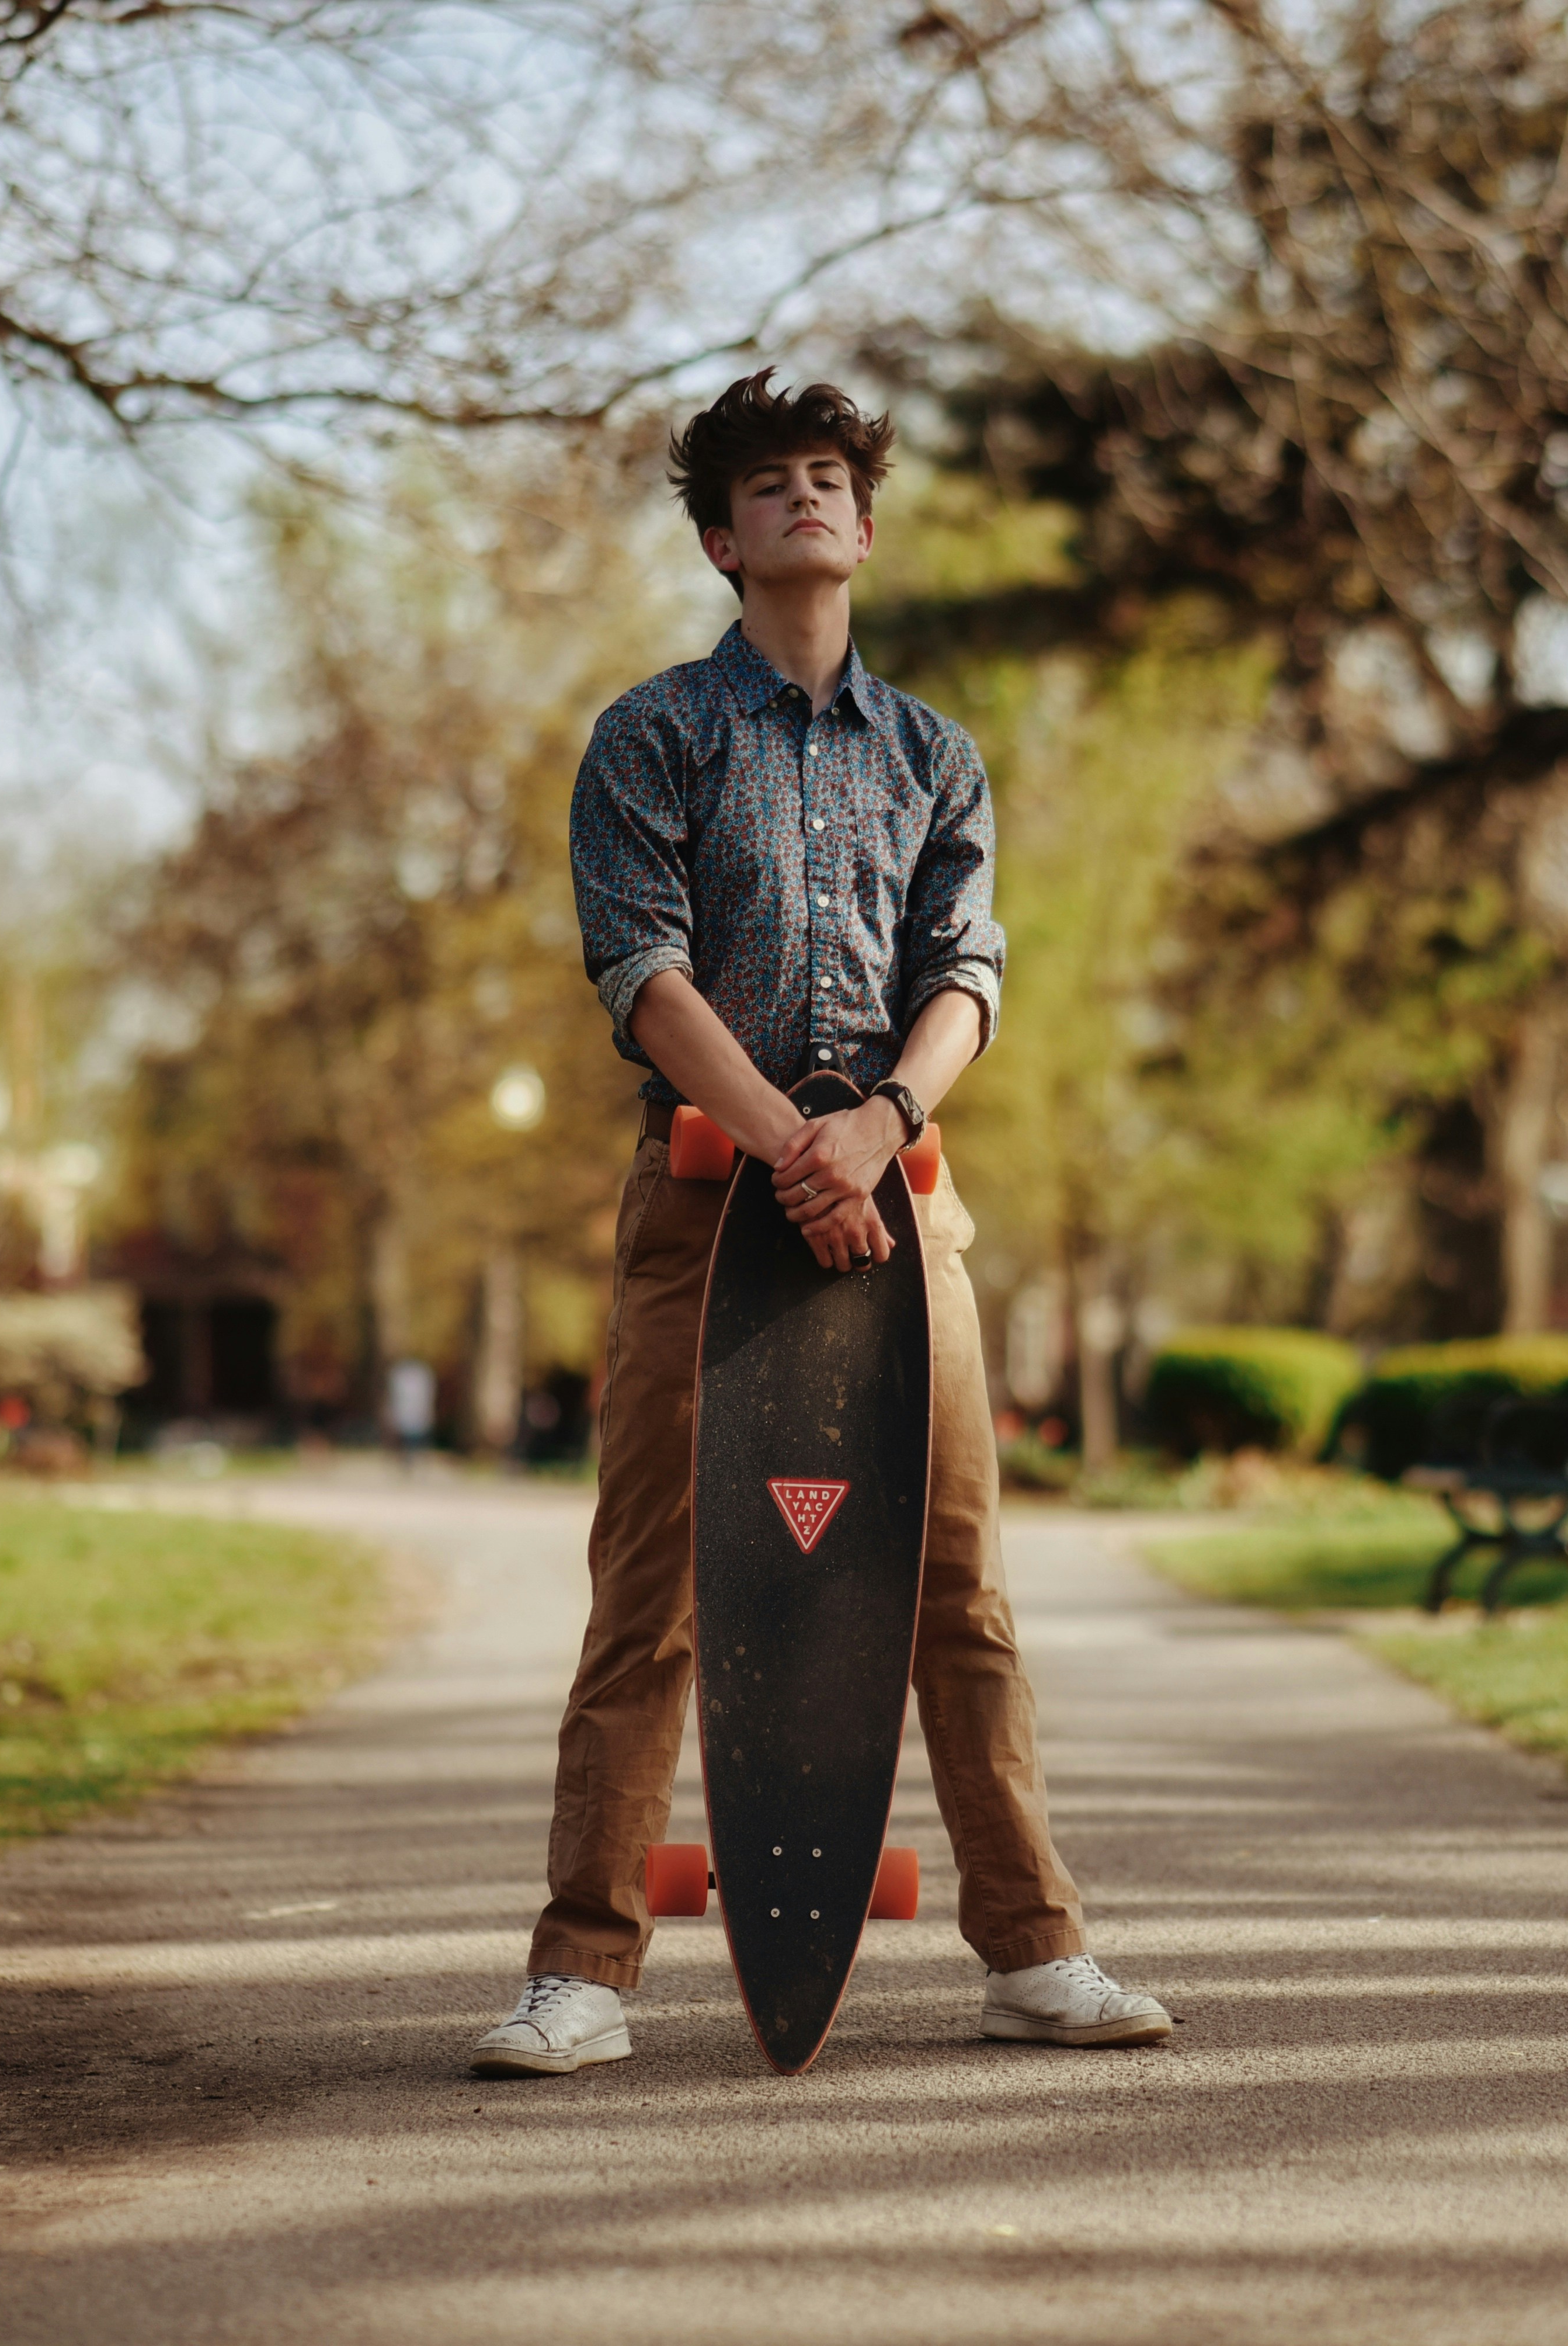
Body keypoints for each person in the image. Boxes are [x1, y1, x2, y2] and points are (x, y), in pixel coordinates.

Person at [469, 370, 1171, 2078]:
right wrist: (795, 1141)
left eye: (829, 479)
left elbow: (968, 977)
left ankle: (1033, 1951)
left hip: (903, 1212)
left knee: (961, 1595)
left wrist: (879, 1131)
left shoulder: (937, 754)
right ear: (721, 537)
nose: (802, 499)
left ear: (864, 525)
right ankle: (584, 1974)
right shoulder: (652, 736)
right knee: (652, 1594)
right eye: (766, 484)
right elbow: (639, 970)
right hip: (704, 1208)